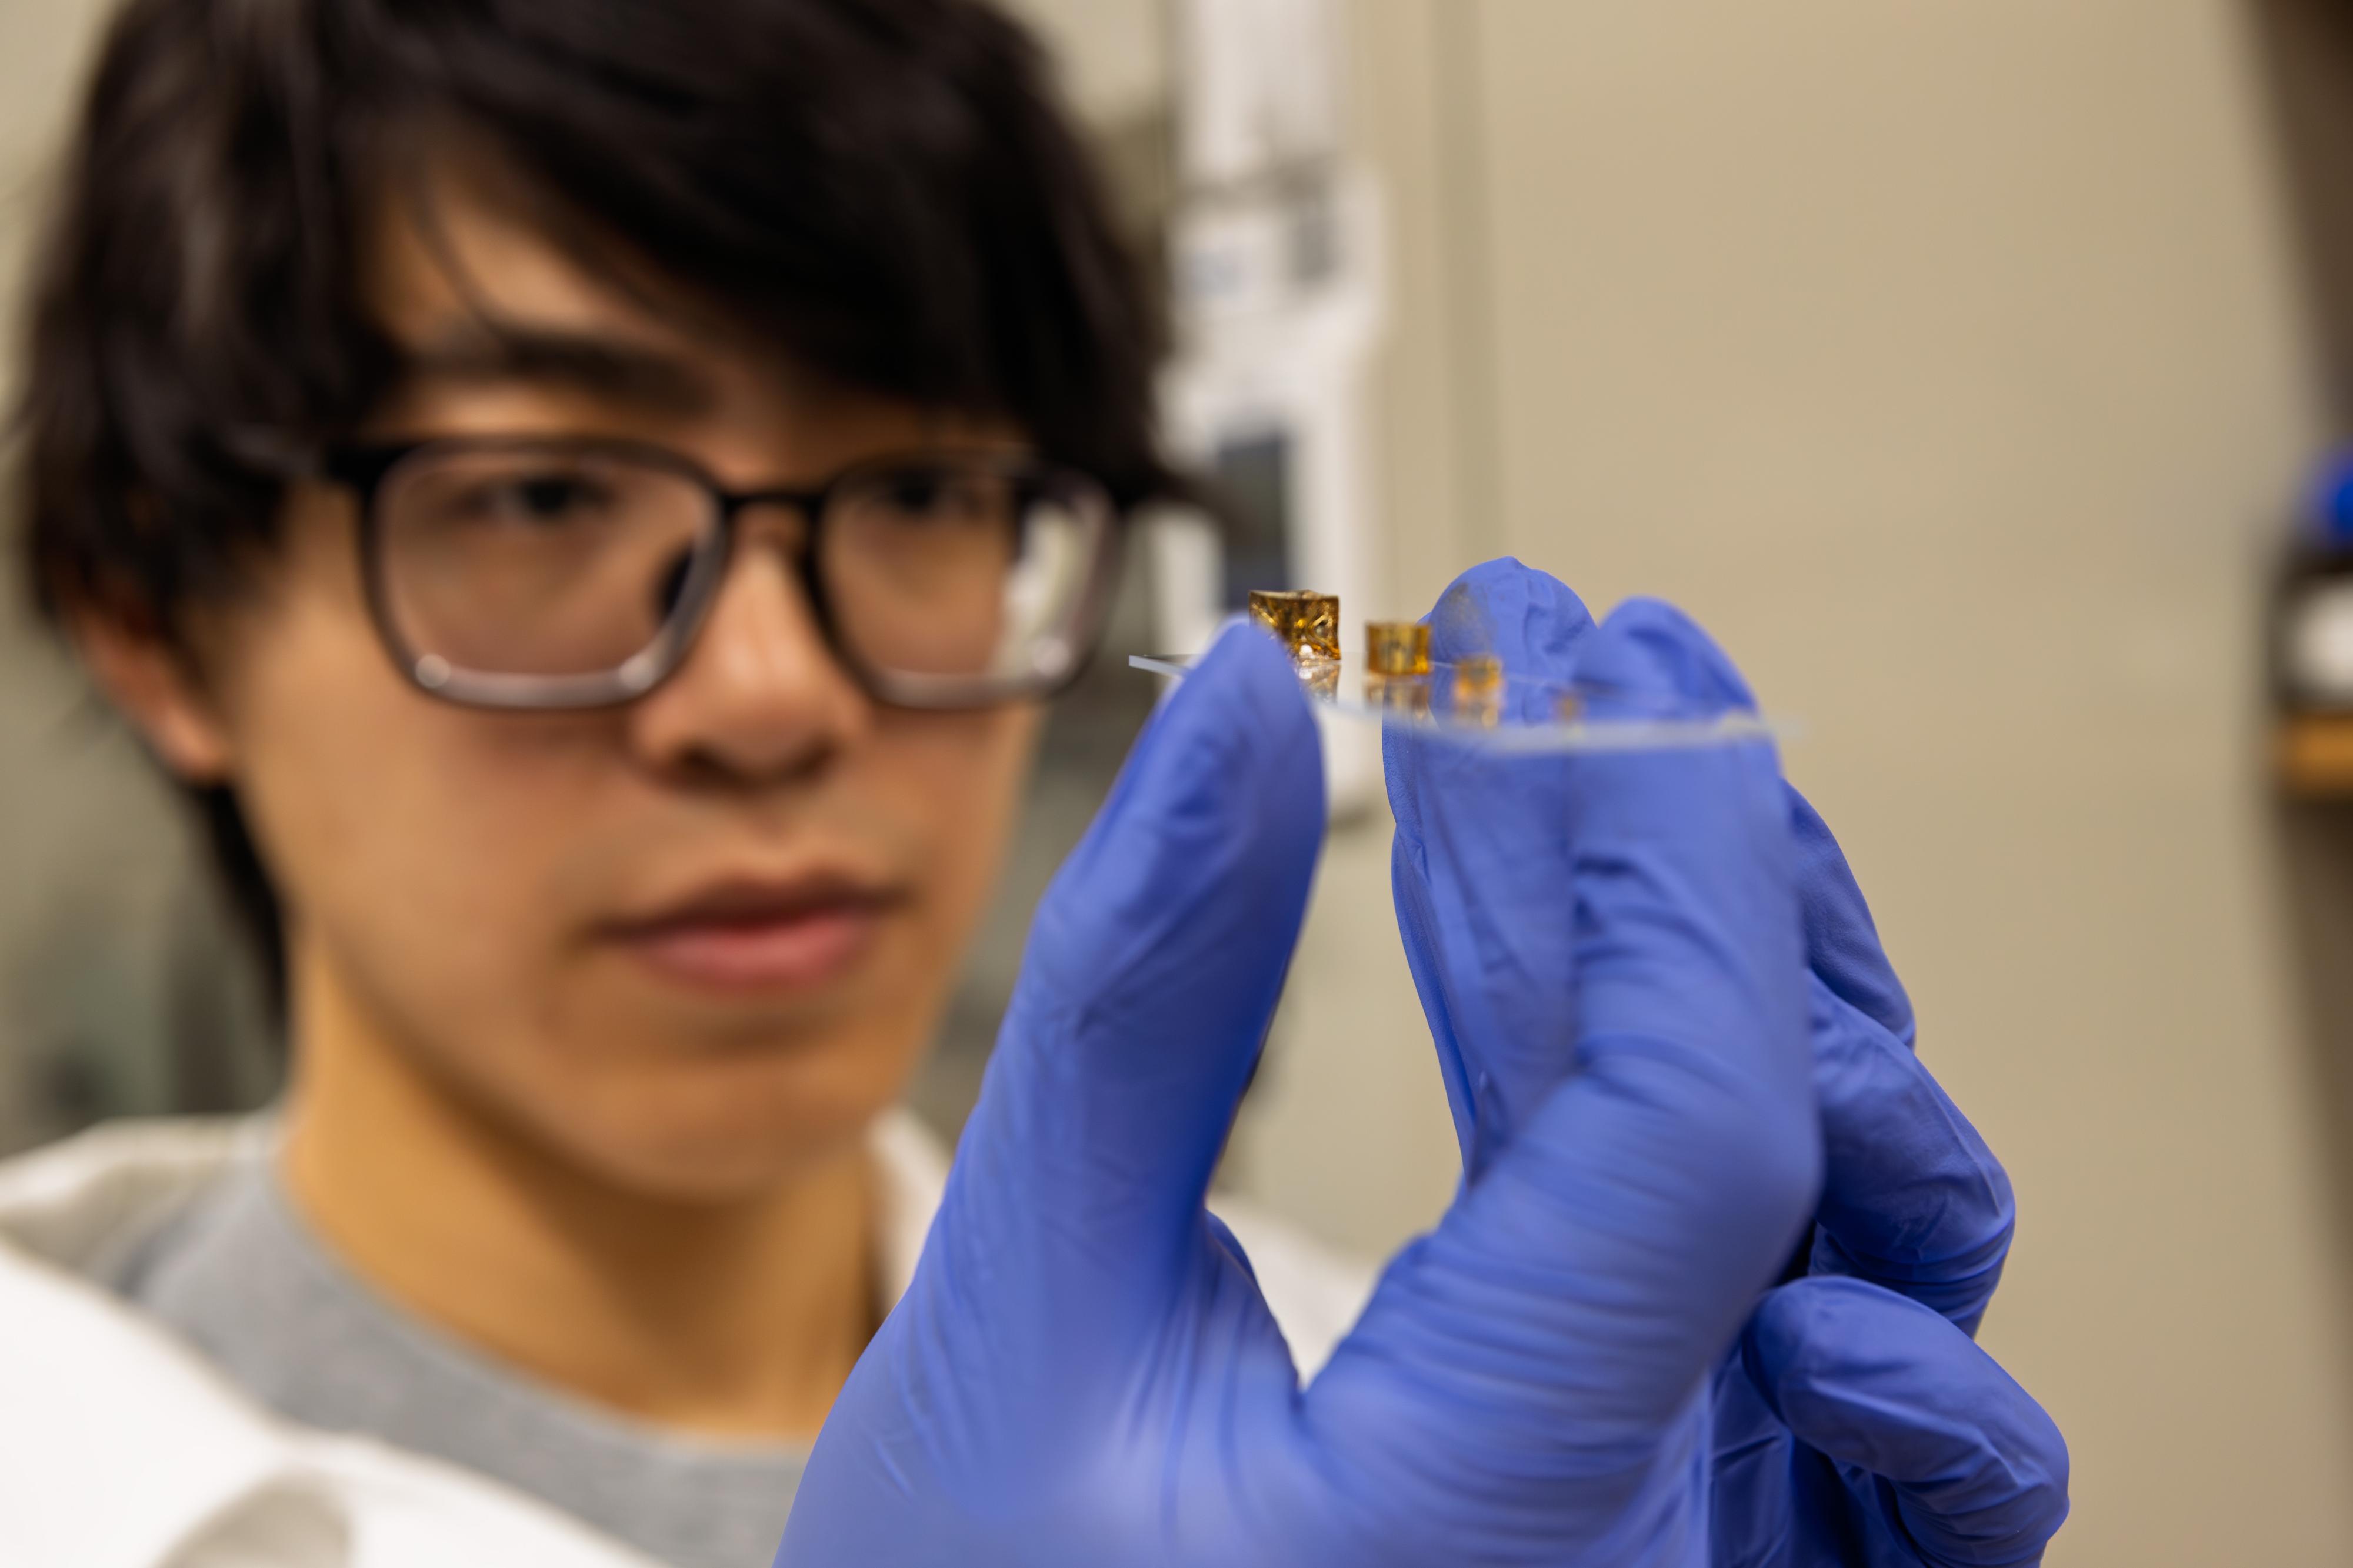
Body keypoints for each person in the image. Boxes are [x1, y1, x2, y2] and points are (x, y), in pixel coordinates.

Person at [0, 0, 2066, 1563]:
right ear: (155, 619)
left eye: (914, 486)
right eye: (543, 489)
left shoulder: (1442, 1438)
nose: (771, 691)